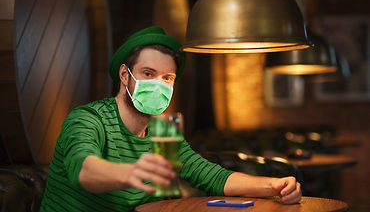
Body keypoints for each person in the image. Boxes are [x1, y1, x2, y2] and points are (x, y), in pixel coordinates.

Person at [40, 26, 301, 212]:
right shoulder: (88, 118)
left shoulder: (164, 132)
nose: (159, 84)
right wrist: (132, 172)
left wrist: (275, 185)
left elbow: (211, 176)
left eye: (167, 78)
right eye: (148, 73)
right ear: (124, 75)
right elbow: (83, 170)